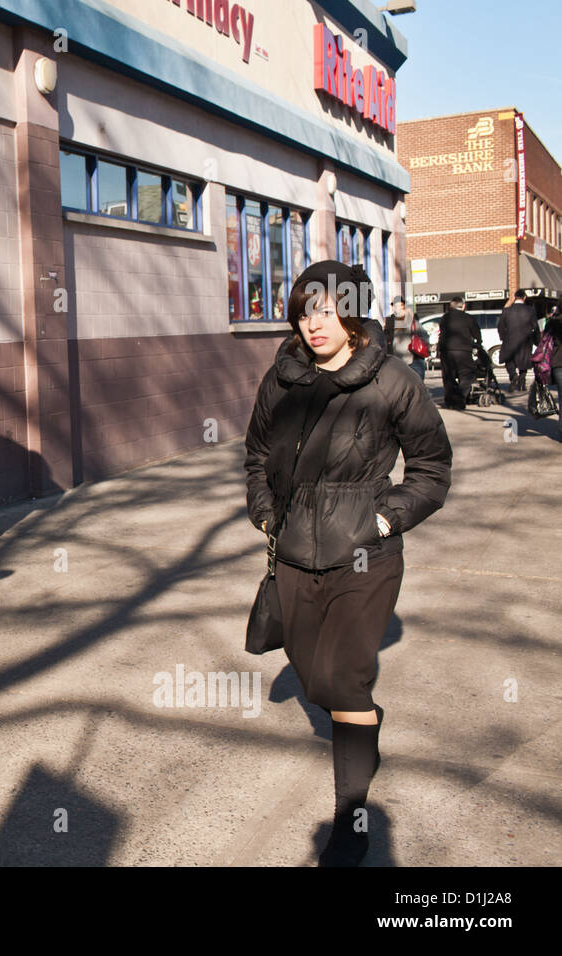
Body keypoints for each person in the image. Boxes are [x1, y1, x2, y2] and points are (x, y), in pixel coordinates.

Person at [244, 260, 452, 867]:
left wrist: (383, 520)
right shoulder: (280, 380)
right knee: (316, 680)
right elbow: (256, 455)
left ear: (354, 315)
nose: (315, 324)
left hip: (366, 557)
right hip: (294, 557)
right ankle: (361, 726)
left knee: (346, 682)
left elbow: (432, 468)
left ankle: (350, 822)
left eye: (329, 310)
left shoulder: (392, 381)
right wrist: (264, 514)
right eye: (306, 311)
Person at [436, 295, 481, 409]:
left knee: (448, 377)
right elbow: (476, 333)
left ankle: (450, 401)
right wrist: (478, 343)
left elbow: (441, 333)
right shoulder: (468, 318)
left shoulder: (445, 318)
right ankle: (460, 397)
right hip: (463, 351)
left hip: (446, 351)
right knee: (467, 375)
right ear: (463, 306)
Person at [497, 289, 540, 392]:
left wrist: (503, 337)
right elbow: (535, 326)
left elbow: (500, 326)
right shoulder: (530, 310)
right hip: (525, 341)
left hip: (509, 340)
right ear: (524, 298)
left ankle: (513, 376)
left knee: (509, 361)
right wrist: (537, 341)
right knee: (524, 361)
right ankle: (522, 382)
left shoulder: (506, 311)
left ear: (515, 297)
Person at [407, 313, 431, 381]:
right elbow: (425, 339)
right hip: (416, 357)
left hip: (404, 359)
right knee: (418, 382)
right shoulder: (416, 325)